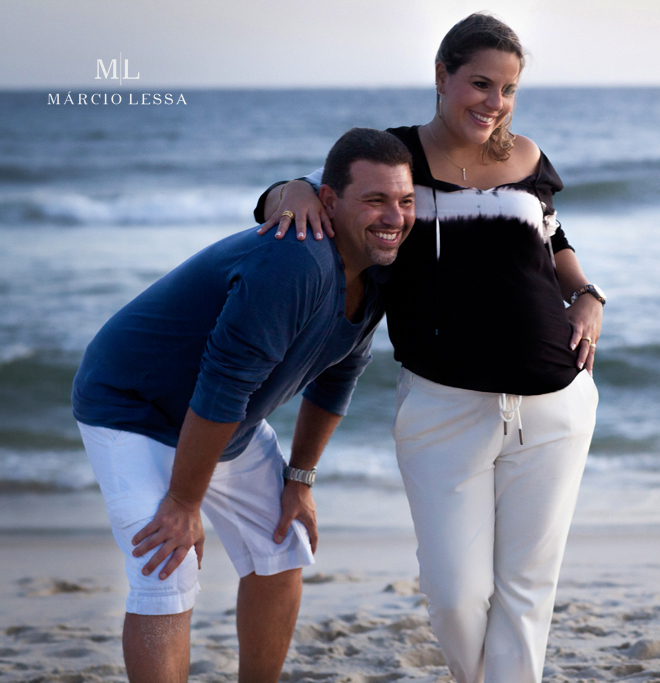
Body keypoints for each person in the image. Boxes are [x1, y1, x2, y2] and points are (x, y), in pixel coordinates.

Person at [254, 14, 604, 683]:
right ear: (442, 76)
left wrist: (589, 295)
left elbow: (554, 238)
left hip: (556, 403)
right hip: (442, 407)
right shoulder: (398, 156)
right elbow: (314, 198)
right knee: (454, 597)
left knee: (527, 591)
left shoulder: (527, 157)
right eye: (480, 83)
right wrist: (288, 190)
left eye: (508, 89)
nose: (494, 102)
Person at [71, 128, 415, 683]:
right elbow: (224, 384)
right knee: (167, 566)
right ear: (329, 201)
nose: (394, 217)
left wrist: (299, 480)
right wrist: (184, 501)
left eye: (405, 201)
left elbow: (339, 374)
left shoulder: (380, 269)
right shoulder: (297, 264)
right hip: (133, 405)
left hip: (223, 420)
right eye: (375, 200)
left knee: (283, 542)